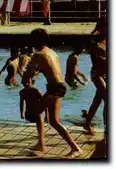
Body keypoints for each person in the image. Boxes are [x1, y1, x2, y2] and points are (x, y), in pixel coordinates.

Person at [22, 28, 82, 158]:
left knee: (35, 113)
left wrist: (28, 80)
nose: (31, 43)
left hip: (55, 89)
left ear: (36, 41)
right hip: (58, 87)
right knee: (52, 120)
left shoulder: (37, 55)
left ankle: (74, 148)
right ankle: (42, 145)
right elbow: (49, 69)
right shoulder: (52, 52)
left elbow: (26, 76)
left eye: (32, 41)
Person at [83, 19, 107, 136]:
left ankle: (87, 123)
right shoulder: (94, 43)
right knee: (107, 98)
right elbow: (98, 61)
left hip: (107, 74)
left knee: (98, 100)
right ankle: (107, 127)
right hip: (97, 74)